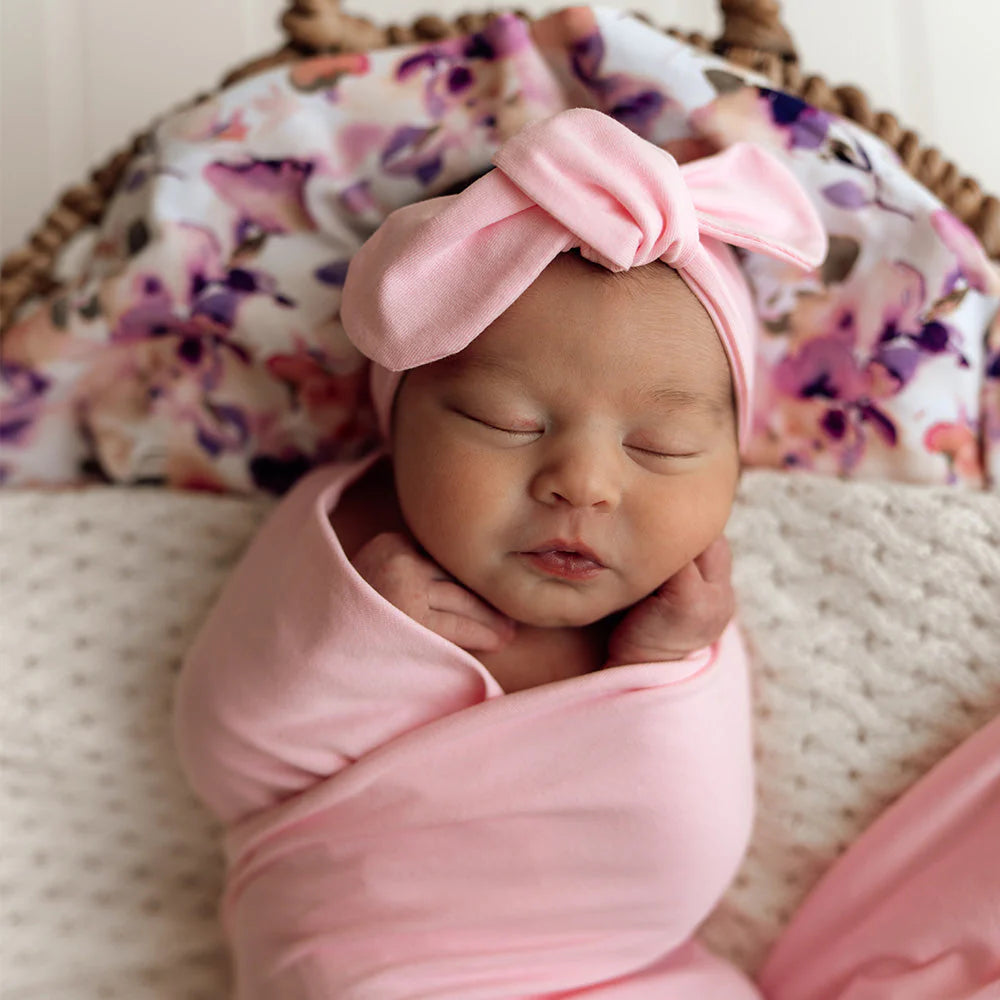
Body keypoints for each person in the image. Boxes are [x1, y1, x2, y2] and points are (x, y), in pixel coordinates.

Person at [173, 108, 826, 998]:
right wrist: (355, 630)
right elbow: (225, 751)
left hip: (625, 970)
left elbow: (676, 869)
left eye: (663, 446)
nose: (583, 483)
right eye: (504, 423)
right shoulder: (352, 536)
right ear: (394, 428)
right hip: (366, 967)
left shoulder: (679, 612)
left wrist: (670, 670)